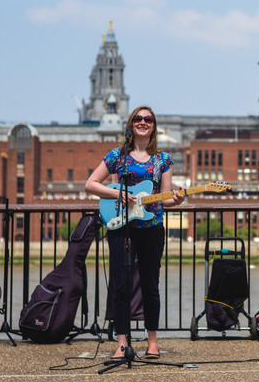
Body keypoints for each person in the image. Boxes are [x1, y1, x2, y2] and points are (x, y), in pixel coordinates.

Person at [85, 105, 184, 360]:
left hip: (152, 228)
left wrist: (178, 199)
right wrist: (120, 194)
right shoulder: (118, 156)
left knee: (151, 285)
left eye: (148, 119)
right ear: (131, 124)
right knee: (120, 284)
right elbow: (91, 184)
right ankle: (122, 343)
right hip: (122, 227)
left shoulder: (163, 160)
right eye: (138, 118)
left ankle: (152, 342)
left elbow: (164, 199)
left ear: (154, 126)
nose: (143, 122)